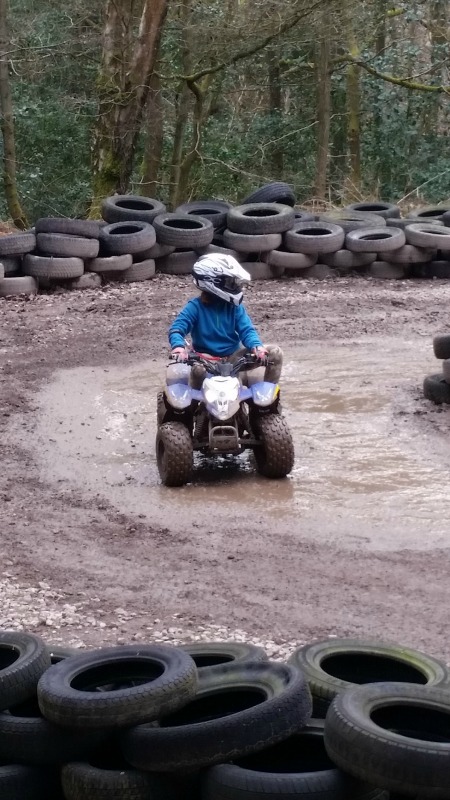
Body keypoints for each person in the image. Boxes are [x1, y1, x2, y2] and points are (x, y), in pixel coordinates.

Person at [166, 254, 283, 389]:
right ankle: (194, 405)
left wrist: (257, 347)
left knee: (276, 353)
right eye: (230, 282)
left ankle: (267, 398)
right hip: (204, 359)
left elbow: (246, 330)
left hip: (234, 358)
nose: (234, 286)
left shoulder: (235, 307)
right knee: (198, 371)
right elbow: (176, 329)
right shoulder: (195, 307)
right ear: (212, 282)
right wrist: (178, 347)